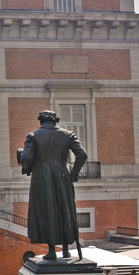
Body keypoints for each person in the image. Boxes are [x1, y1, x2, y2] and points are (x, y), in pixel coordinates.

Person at [18, 110, 87, 260]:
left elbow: (26, 157)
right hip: (62, 175)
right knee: (64, 209)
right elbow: (82, 155)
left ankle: (51, 250)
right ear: (55, 120)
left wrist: (20, 155)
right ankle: (66, 250)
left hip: (42, 176)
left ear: (41, 121)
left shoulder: (33, 136)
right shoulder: (68, 135)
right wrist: (73, 174)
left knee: (47, 211)